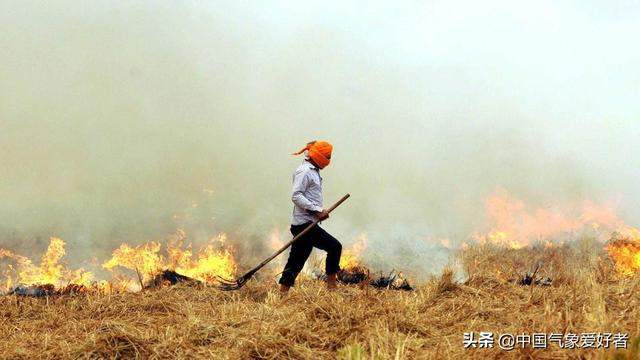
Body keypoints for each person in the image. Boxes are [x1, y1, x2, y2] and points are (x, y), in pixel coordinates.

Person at [279, 140, 342, 293]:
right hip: (304, 224)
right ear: (319, 156)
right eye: (327, 156)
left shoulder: (313, 170)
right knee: (334, 247)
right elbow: (296, 196)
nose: (328, 161)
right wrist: (317, 210)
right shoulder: (305, 171)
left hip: (307, 223)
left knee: (296, 260)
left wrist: (318, 211)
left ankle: (283, 293)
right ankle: (332, 288)